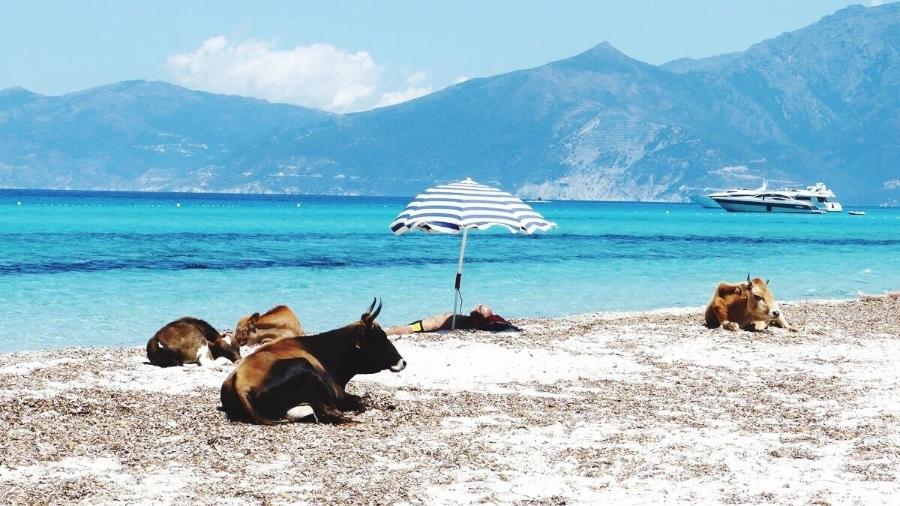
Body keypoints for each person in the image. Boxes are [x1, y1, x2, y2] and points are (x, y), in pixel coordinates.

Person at [385, 304, 519, 335]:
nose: (479, 305)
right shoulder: (484, 322)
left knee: (413, 327)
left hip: (441, 321)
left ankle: (385, 332)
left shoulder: (484, 324)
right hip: (439, 321)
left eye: (480, 307)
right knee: (413, 327)